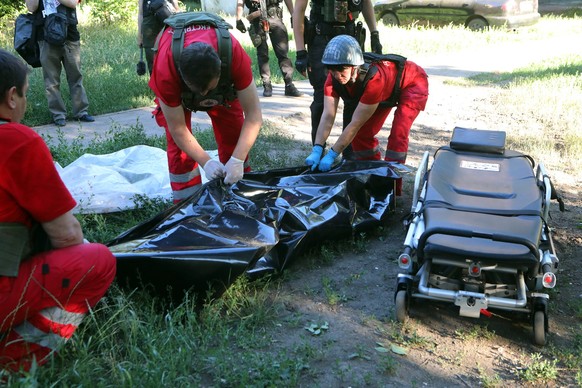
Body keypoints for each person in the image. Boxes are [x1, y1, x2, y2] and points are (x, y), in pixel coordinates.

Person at [0, 49, 116, 372]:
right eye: (25, 94)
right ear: (12, 97)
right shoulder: (17, 140)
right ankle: (13, 362)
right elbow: (67, 236)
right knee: (98, 262)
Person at [149, 13, 263, 202]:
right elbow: (178, 129)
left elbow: (254, 116)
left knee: (234, 135)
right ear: (182, 77)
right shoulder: (165, 70)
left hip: (224, 88)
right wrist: (206, 162)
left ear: (221, 71)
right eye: (198, 90)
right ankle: (186, 204)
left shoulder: (233, 54)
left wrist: (238, 159)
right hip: (176, 79)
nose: (203, 96)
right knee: (180, 154)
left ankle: (238, 193)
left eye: (208, 89)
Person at [305, 35, 429, 195]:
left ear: (354, 66)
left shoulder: (374, 79)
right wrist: (317, 148)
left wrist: (332, 154)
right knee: (362, 136)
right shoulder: (332, 79)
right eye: (332, 70)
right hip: (387, 91)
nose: (337, 75)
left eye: (342, 69)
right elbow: (328, 115)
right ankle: (376, 174)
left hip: (412, 82)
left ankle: (391, 189)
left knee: (398, 134)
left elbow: (355, 123)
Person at [292, 0, 383, 145]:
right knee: (321, 99)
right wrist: (300, 52)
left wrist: (374, 34)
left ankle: (349, 154)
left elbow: (366, 3)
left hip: (351, 37)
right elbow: (299, 10)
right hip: (321, 38)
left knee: (353, 97)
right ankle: (318, 150)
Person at [25, 0, 94, 127]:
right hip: (45, 37)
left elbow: (73, 3)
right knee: (51, 81)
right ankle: (58, 115)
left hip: (70, 36)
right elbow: (31, 7)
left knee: (75, 76)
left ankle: (81, 112)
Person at [235, 0, 303, 97]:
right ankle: (266, 85)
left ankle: (289, 84)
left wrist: (293, 14)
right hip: (257, 17)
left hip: (274, 16)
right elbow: (240, 1)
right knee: (262, 53)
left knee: (283, 52)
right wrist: (238, 19)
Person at [137, 0, 180, 75]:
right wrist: (140, 35)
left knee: (171, 52)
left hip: (167, 19)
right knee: (151, 55)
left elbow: (176, 7)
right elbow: (141, 13)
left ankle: (172, 80)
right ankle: (155, 83)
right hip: (149, 22)